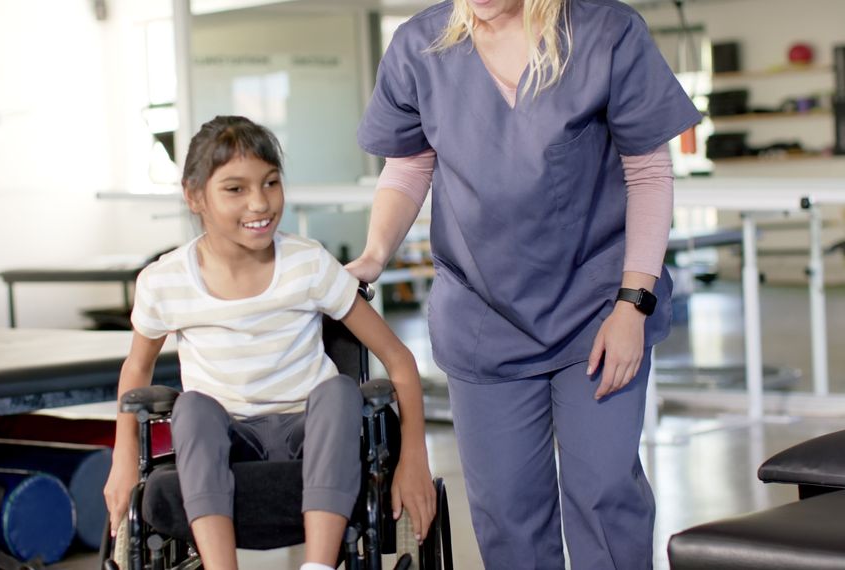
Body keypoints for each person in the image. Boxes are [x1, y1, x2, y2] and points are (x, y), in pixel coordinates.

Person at [350, 0, 701, 568]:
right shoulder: (422, 45)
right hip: (482, 315)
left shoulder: (604, 32)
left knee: (604, 492)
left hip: (599, 309)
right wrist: (373, 254)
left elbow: (649, 171)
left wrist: (633, 304)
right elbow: (410, 164)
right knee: (507, 511)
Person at [104, 115, 436, 570]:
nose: (260, 203)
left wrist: (413, 457)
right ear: (194, 195)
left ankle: (317, 566)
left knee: (340, 390)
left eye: (271, 182)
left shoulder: (308, 264)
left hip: (311, 435)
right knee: (193, 407)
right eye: (235, 189)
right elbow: (136, 370)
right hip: (226, 438)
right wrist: (123, 459)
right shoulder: (165, 281)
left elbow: (398, 359)